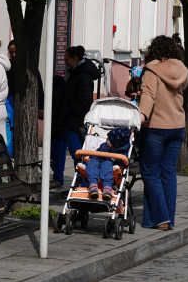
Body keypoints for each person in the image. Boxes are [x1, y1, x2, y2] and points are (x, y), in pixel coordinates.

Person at [138, 35, 188, 231]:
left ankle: (161, 219)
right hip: (177, 126)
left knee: (150, 172)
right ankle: (162, 218)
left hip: (156, 127)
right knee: (168, 173)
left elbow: (148, 95)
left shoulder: (152, 69)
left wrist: (141, 116)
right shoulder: (182, 69)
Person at [51, 46, 101, 189]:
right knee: (78, 155)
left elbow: (84, 101)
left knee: (78, 155)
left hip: (74, 123)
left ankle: (83, 186)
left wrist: (67, 111)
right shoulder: (78, 74)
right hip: (73, 122)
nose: (65, 62)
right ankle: (81, 185)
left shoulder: (82, 76)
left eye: (67, 59)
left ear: (75, 58)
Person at [80, 126, 132, 201]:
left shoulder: (122, 153)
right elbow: (96, 155)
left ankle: (107, 188)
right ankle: (93, 185)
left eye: (109, 140)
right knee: (92, 162)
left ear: (115, 144)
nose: (106, 139)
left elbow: (122, 162)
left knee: (107, 164)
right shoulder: (104, 146)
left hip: (110, 169)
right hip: (97, 163)